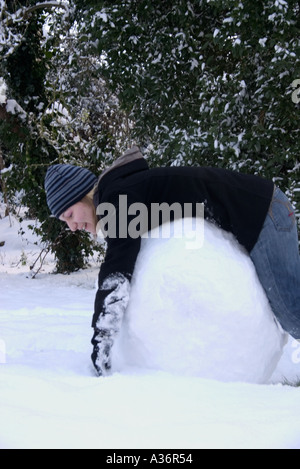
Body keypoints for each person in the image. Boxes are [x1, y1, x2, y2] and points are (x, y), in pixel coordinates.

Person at [45, 147, 300, 376]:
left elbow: (118, 265)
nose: (72, 226)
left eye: (69, 214)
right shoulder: (124, 192)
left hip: (264, 212)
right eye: (64, 221)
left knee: (291, 312)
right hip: (264, 207)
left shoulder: (117, 197)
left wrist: (102, 337)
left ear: (85, 195)